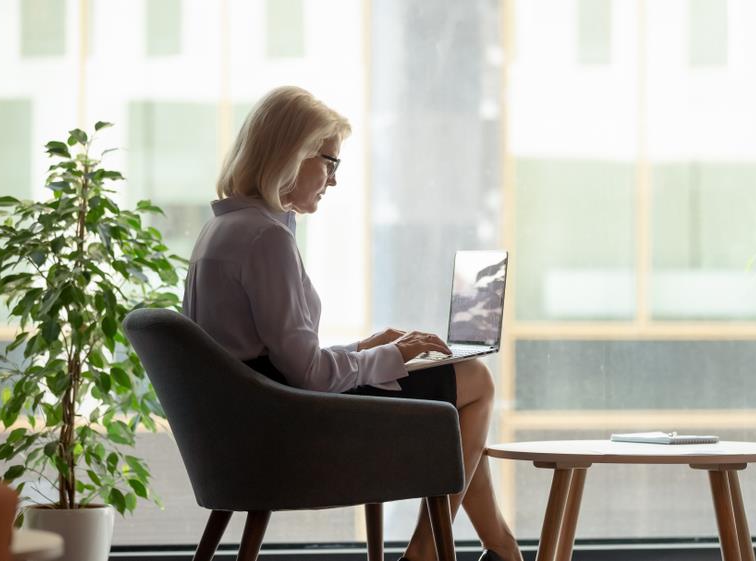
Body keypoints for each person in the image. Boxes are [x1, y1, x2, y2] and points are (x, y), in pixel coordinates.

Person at [183, 85, 522, 561]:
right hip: (297, 436)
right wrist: (388, 356)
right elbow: (307, 376)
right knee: (476, 380)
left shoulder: (220, 231)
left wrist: (367, 347)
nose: (334, 180)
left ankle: (503, 548)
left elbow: (272, 361)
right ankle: (425, 554)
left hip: (256, 433)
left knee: (457, 408)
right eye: (330, 162)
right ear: (291, 155)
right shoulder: (265, 238)